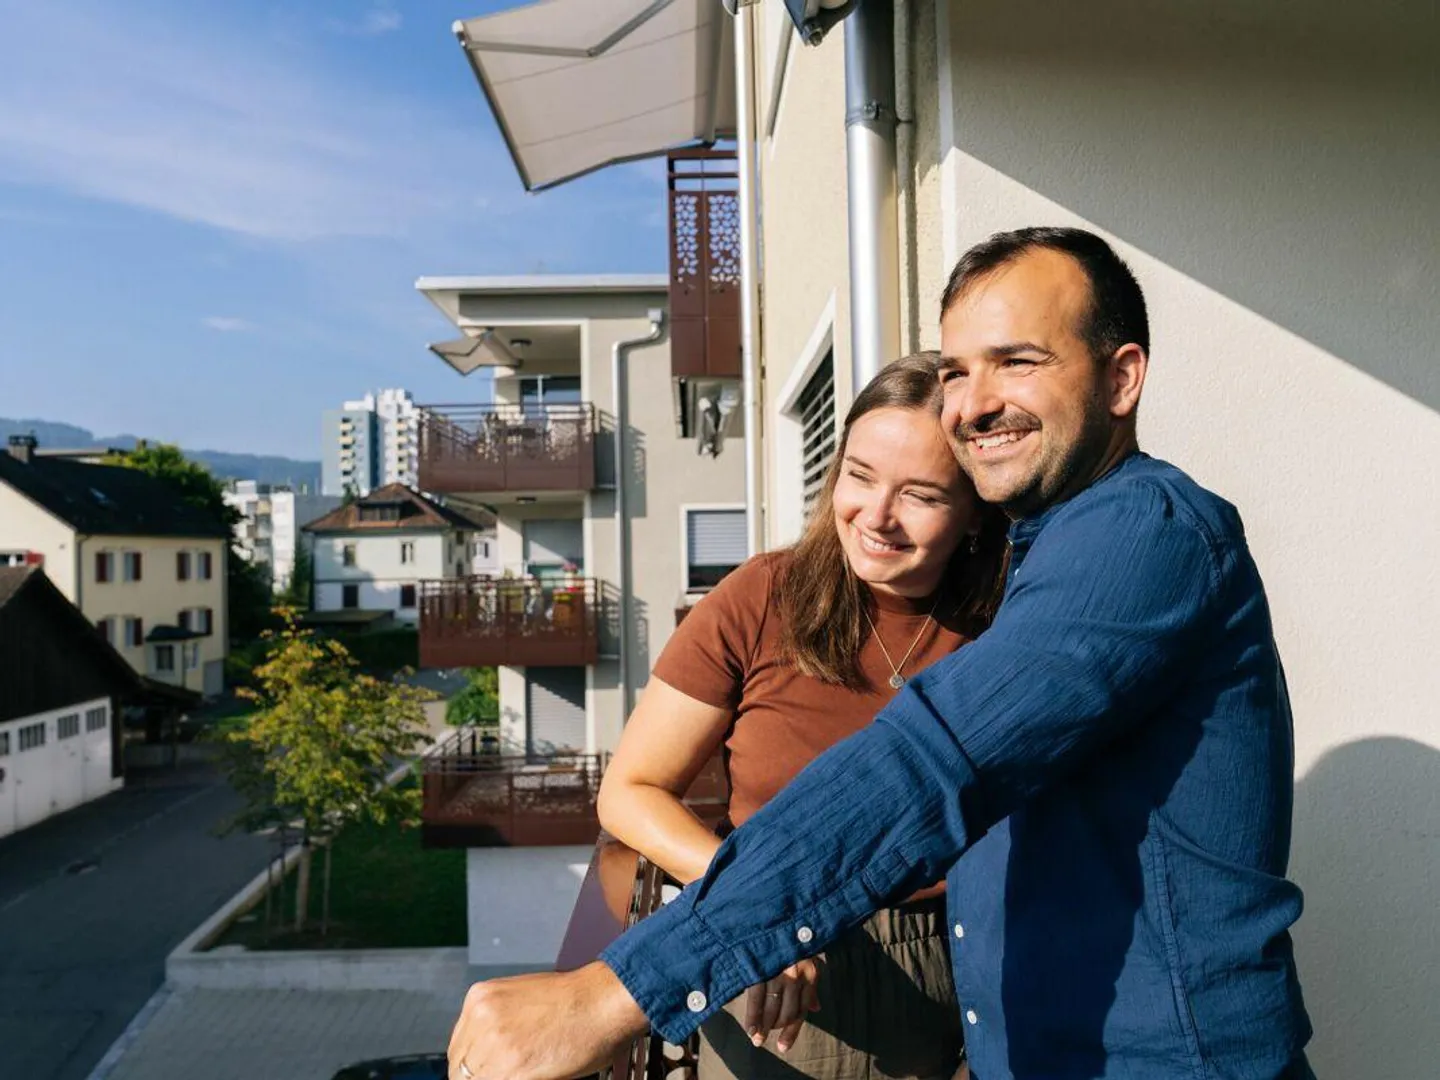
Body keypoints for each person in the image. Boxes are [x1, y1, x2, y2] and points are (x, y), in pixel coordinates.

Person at [446, 227, 1315, 1080]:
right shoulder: (1032, 556)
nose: (975, 401)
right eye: (957, 371)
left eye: (1017, 361)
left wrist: (615, 990)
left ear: (1121, 378)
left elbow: (934, 762)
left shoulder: (1141, 535)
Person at [596, 353, 1008, 1079]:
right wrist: (757, 911)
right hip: (787, 990)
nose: (876, 516)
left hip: (981, 963)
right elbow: (630, 791)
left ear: (974, 513)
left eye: (920, 494)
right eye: (859, 475)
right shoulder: (763, 597)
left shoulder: (1009, 621)